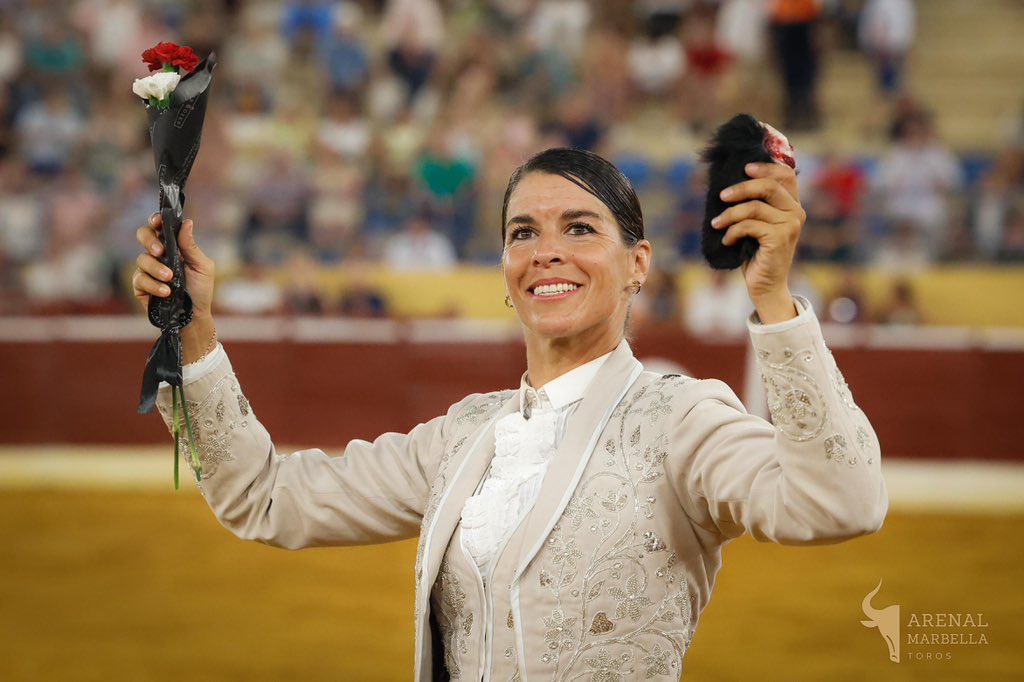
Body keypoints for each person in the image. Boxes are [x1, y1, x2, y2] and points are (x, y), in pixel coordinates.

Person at [131, 148, 886, 679]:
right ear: (504, 270)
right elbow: (263, 498)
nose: (546, 251)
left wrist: (772, 298)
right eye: (524, 232)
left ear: (638, 265)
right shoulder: (465, 436)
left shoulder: (681, 418)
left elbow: (841, 501)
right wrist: (192, 329)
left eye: (580, 228)